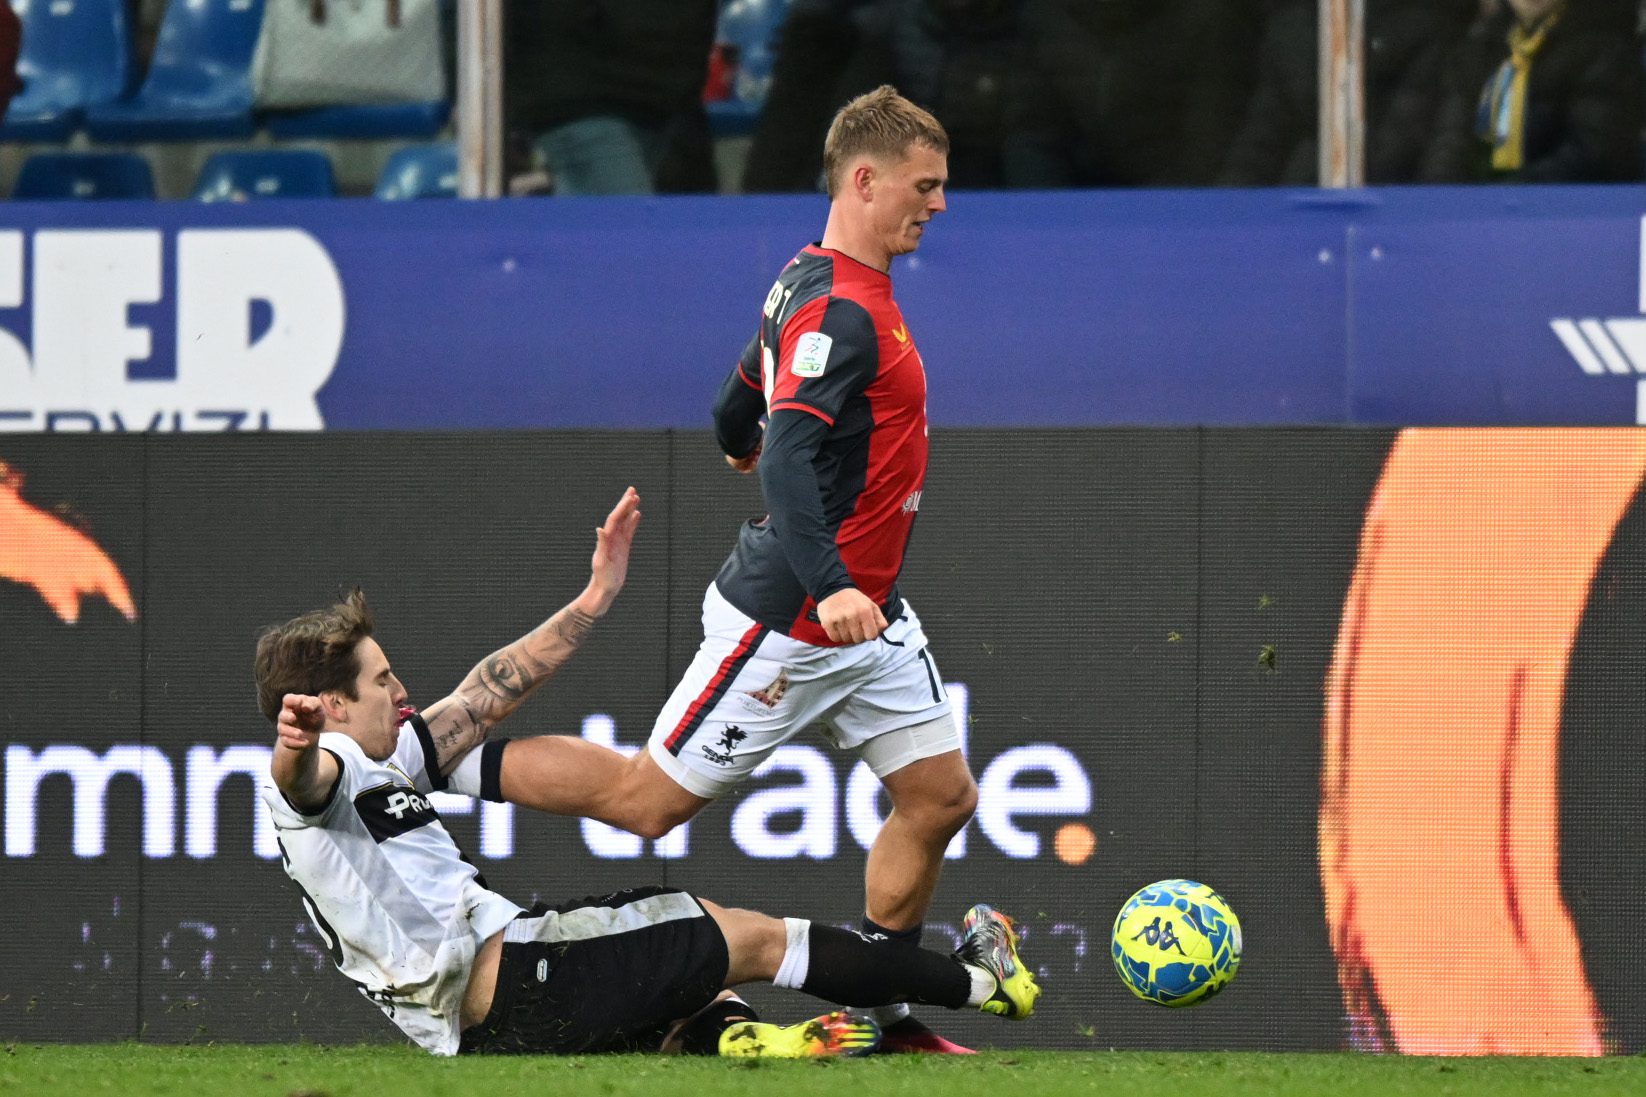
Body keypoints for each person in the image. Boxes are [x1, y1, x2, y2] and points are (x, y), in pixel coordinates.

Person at [254, 490, 1039, 1057]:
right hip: (522, 972)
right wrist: (295, 742)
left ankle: (739, 1040)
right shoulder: (323, 768)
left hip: (488, 1028)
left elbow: (486, 694)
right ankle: (979, 980)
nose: (401, 690)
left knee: (689, 983)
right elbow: (301, 783)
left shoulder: (385, 757)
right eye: (382, 680)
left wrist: (596, 595)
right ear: (330, 704)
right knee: (753, 936)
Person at [1420, 0, 1643, 183]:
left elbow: (1592, 153)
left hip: (1567, 211)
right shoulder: (1483, 46)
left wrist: (1505, 197)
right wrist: (1444, 196)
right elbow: (1450, 138)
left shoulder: (1604, 49)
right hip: (1484, 207)